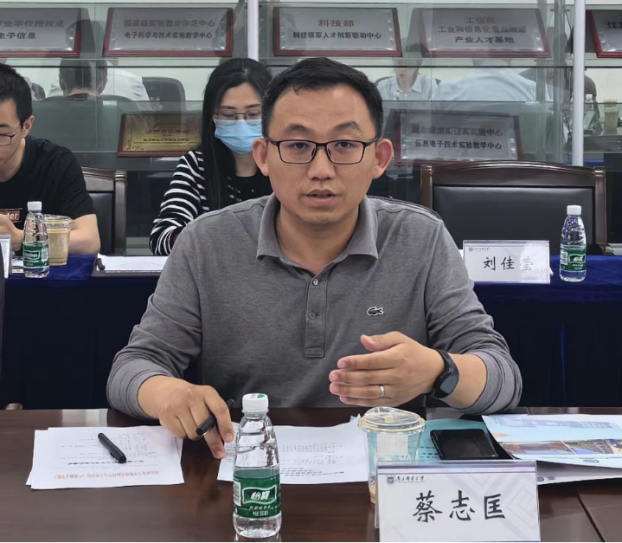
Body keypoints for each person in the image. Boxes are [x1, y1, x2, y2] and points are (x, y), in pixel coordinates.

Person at [108, 57, 521, 459]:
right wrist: (169, 393)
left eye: (345, 145)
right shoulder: (206, 242)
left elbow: (503, 379)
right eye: (298, 145)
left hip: (383, 474)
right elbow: (134, 366)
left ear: (379, 158)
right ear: (263, 156)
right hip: (247, 470)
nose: (321, 169)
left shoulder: (421, 238)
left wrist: (439, 371)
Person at [149, 58, 273, 255]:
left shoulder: (287, 161)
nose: (241, 123)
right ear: (213, 116)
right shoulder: (197, 165)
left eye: (253, 114)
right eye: (229, 115)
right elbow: (162, 238)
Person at [0, 64, 100, 254]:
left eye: (2, 134)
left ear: (26, 127)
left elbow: (89, 241)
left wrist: (22, 238)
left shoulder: (56, 164)